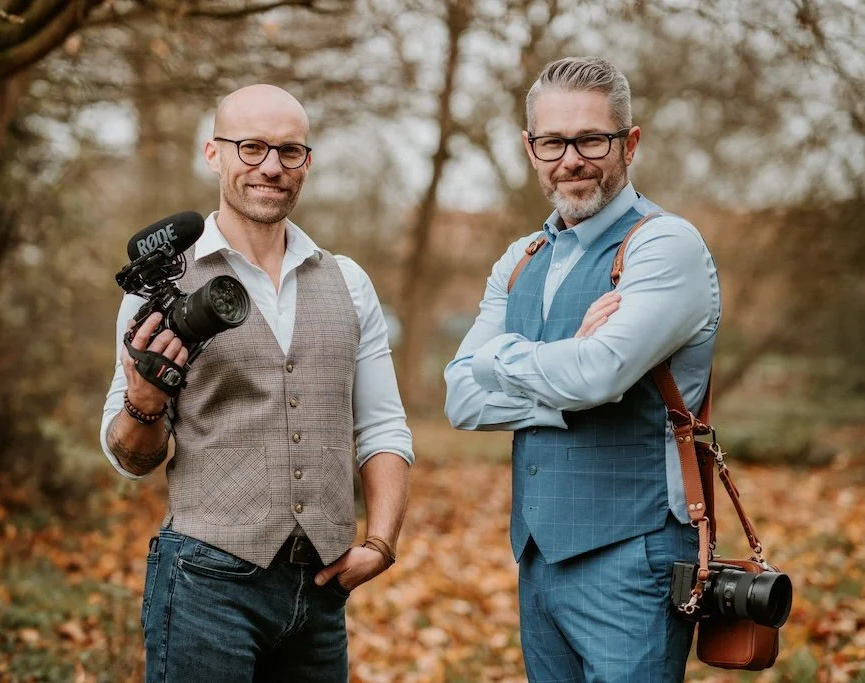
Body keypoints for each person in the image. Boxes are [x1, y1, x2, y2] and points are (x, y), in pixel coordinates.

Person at [100, 84, 413, 682]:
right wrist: (144, 405)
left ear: (307, 161)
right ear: (213, 153)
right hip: (204, 584)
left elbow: (382, 426)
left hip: (321, 595)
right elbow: (129, 460)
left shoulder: (349, 282)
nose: (271, 166)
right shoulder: (158, 288)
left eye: (289, 151)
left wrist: (380, 542)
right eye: (251, 147)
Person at [444, 56, 721, 682]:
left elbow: (598, 375)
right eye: (553, 142)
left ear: (630, 143)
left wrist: (500, 359)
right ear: (530, 148)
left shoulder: (663, 245)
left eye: (591, 139)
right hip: (537, 556)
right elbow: (461, 396)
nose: (571, 159)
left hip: (635, 554)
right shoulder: (521, 258)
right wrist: (566, 368)